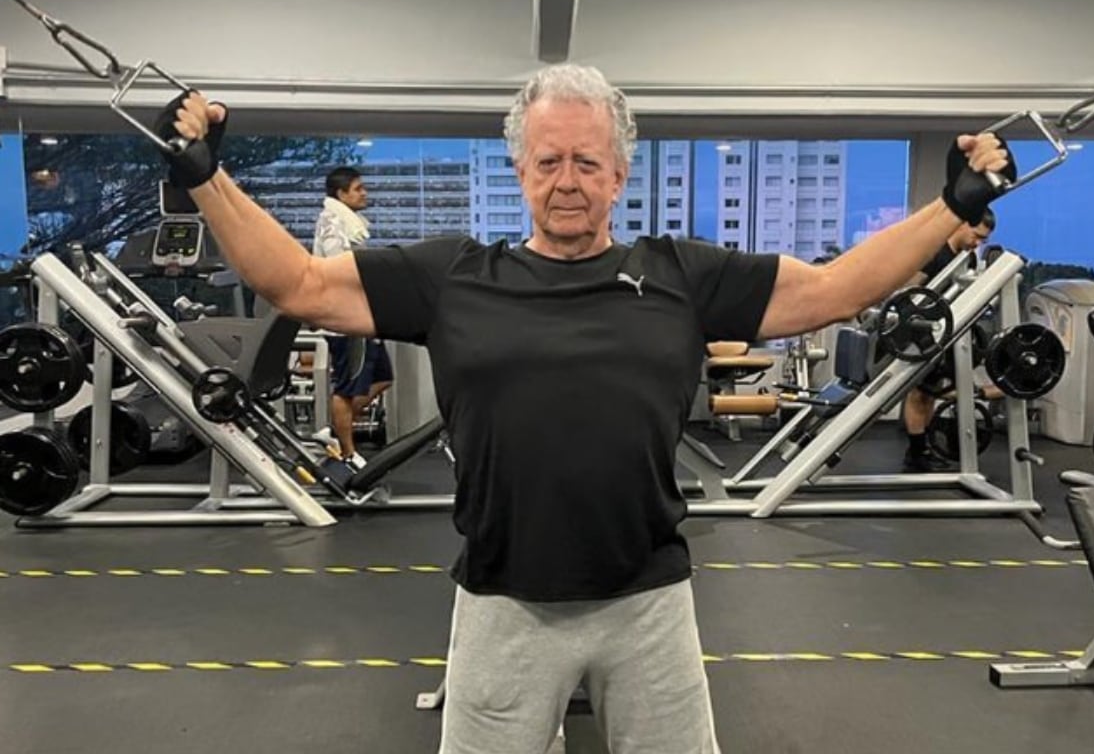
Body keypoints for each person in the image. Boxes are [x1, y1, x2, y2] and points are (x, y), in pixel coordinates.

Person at [154, 64, 1014, 754]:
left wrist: (950, 211)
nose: (568, 182)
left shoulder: (684, 274)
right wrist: (205, 177)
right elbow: (295, 283)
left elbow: (831, 291)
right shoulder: (453, 275)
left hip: (649, 605)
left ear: (620, 172)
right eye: (549, 161)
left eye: (587, 163)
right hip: (501, 606)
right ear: (521, 168)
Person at [900, 211, 995, 472]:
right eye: (976, 236)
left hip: (948, 332)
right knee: (919, 393)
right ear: (963, 224)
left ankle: (923, 449)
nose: (977, 243)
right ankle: (916, 453)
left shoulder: (969, 258)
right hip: (921, 332)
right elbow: (910, 290)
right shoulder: (934, 252)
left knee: (930, 392)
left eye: (982, 240)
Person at [311, 166, 393, 468]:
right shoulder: (333, 222)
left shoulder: (349, 222)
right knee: (346, 389)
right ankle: (347, 451)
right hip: (345, 319)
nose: (364, 193)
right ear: (340, 194)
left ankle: (332, 431)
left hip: (362, 315)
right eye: (358, 188)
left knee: (383, 379)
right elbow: (338, 268)